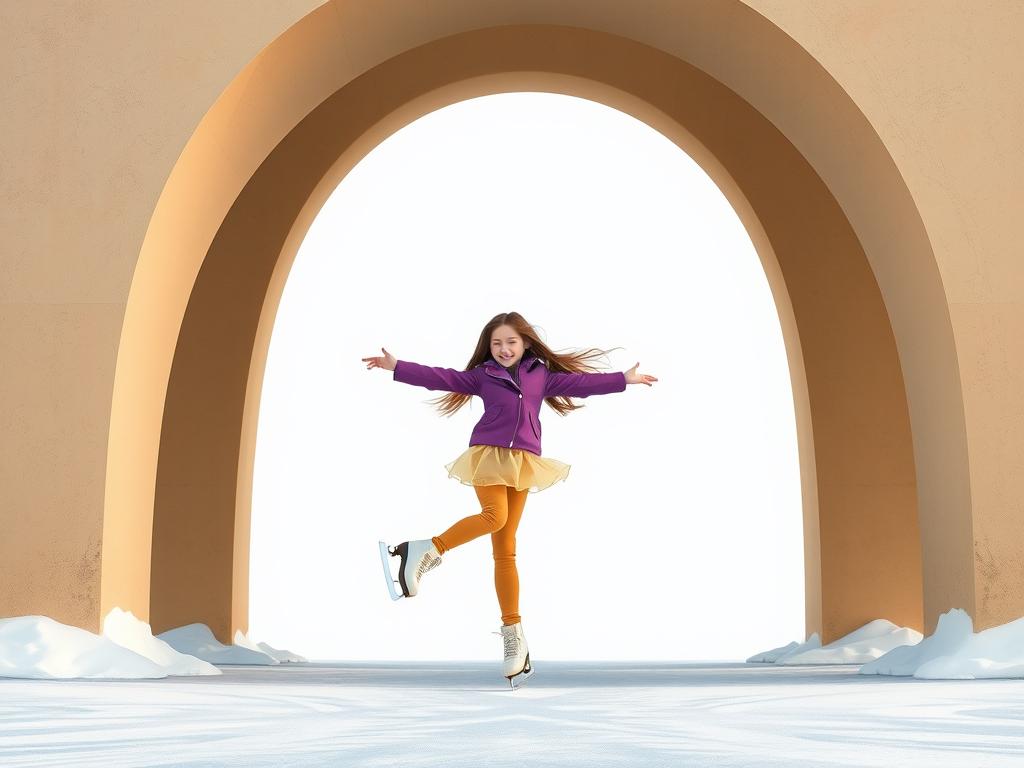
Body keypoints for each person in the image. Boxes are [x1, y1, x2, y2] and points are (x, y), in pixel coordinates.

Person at [362, 312, 657, 688]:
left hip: (523, 461)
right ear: (490, 346)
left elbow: (581, 383)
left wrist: (623, 380)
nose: (504, 349)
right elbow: (441, 377)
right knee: (494, 517)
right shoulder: (482, 376)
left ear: (525, 344)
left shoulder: (541, 376)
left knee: (506, 550)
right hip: (488, 454)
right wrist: (396, 366)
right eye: (497, 343)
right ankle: (422, 549)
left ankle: (514, 637)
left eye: (511, 343)